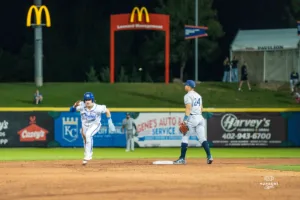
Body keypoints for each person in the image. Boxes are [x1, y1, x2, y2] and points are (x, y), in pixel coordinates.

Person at [70, 92, 116, 165]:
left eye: (89, 99)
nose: (87, 101)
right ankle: (86, 157)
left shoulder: (98, 107)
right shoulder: (82, 105)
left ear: (92, 100)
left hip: (95, 124)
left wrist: (110, 122)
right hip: (85, 125)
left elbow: (107, 111)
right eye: (86, 100)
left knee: (88, 135)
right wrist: (74, 105)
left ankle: (89, 155)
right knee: (85, 140)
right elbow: (71, 111)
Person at [173, 80, 213, 165]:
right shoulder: (198, 96)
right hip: (200, 118)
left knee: (185, 136)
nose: (184, 86)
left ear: (188, 86)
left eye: (185, 85)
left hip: (192, 117)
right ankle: (209, 156)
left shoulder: (187, 96)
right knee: (202, 138)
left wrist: (184, 120)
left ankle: (182, 158)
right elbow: (201, 108)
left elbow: (188, 108)